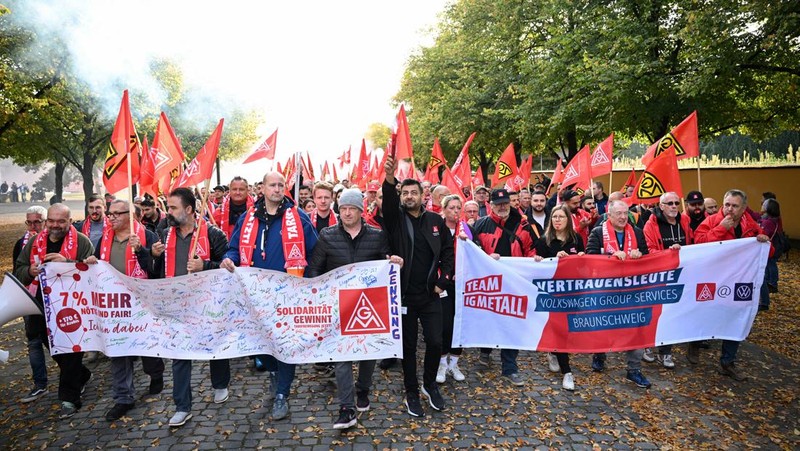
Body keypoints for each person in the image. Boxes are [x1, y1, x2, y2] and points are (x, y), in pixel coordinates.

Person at [220, 171, 318, 420]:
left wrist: (311, 284)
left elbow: (316, 251)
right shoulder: (247, 217)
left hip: (287, 296)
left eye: (280, 185)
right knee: (260, 345)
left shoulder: (298, 217)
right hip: (254, 296)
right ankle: (274, 372)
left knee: (285, 344)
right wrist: (228, 260)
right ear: (262, 188)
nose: (277, 189)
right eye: (272, 185)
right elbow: (233, 249)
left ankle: (282, 394)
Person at [306, 188, 402, 430]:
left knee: (368, 353)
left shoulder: (377, 235)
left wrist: (394, 263)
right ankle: (346, 407)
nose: (347, 213)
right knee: (342, 356)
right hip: (339, 306)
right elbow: (315, 268)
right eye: (343, 209)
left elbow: (384, 262)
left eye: (352, 208)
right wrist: (318, 294)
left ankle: (363, 389)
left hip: (369, 306)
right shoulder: (327, 235)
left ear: (361, 210)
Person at [151, 188, 230, 427]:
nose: (169, 212)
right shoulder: (164, 234)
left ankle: (220, 383)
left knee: (213, 345)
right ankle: (182, 406)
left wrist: (205, 265)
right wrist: (152, 256)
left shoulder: (214, 234)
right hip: (177, 304)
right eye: (168, 207)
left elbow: (228, 266)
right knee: (179, 355)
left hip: (208, 303)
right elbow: (155, 272)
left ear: (188, 209)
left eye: (173, 208)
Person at [382, 155, 454, 418]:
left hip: (431, 295)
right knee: (408, 347)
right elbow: (388, 202)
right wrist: (390, 180)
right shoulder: (395, 219)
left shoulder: (436, 221)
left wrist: (443, 281)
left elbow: (448, 252)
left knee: (436, 341)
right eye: (405, 193)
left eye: (414, 192)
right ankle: (411, 390)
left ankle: (429, 384)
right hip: (404, 296)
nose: (409, 196)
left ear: (424, 195)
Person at [83, 200, 164, 421]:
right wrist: (92, 262)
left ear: (131, 215)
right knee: (119, 352)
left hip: (141, 304)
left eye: (117, 214)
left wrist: (142, 251)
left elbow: (156, 269)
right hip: (115, 306)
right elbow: (100, 267)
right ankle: (123, 398)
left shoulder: (147, 236)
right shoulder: (103, 240)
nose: (111, 218)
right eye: (110, 214)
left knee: (147, 348)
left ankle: (155, 374)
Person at [14, 204, 95, 418]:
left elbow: (92, 270)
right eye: (51, 221)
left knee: (71, 349)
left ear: (69, 221)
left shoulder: (82, 242)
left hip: (73, 303)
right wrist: (29, 271)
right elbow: (19, 268)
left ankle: (70, 398)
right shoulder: (34, 242)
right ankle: (82, 374)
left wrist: (67, 263)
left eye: (61, 221)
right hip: (42, 302)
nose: (55, 225)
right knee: (44, 339)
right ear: (46, 221)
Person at [694, 190, 771, 378]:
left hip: (738, 281)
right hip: (713, 279)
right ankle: (694, 343)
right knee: (706, 314)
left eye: (734, 206)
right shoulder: (712, 221)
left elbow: (767, 251)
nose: (729, 209)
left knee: (735, 318)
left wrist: (762, 239)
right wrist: (720, 228)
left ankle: (728, 362)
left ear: (744, 208)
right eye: (726, 204)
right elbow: (698, 244)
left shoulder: (748, 223)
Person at [472, 189, 536, 386]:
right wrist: (484, 256)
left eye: (505, 203)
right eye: (498, 203)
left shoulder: (524, 225)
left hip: (514, 282)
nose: (502, 206)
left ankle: (510, 367)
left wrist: (533, 261)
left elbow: (531, 248)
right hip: (489, 283)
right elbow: (473, 251)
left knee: (512, 323)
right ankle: (485, 351)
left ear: (511, 204)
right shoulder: (481, 224)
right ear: (491, 205)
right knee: (488, 318)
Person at [586, 200, 652, 389]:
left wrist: (640, 255)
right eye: (619, 214)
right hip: (606, 288)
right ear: (609, 215)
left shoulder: (637, 232)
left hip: (632, 289)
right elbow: (590, 258)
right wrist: (610, 258)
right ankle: (599, 354)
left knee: (636, 327)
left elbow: (647, 258)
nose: (623, 217)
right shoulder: (598, 232)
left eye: (626, 213)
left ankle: (634, 369)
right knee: (604, 325)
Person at [533, 204, 584, 391]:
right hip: (552, 293)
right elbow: (537, 266)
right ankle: (567, 372)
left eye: (561, 217)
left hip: (571, 291)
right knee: (560, 328)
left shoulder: (576, 239)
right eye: (554, 217)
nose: (557, 220)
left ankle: (553, 350)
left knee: (566, 329)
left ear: (568, 220)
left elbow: (583, 265)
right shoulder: (543, 240)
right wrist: (547, 259)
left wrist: (580, 257)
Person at [641, 192, 694, 368]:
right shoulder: (651, 225)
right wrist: (669, 253)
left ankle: (666, 352)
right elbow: (648, 250)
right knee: (655, 312)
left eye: (676, 203)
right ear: (661, 206)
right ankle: (647, 346)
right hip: (658, 274)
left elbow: (693, 243)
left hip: (680, 274)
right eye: (669, 203)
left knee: (671, 313)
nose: (673, 206)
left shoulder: (685, 221)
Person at [13, 206, 49, 403]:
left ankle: (80, 375)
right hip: (30, 298)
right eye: (29, 222)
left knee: (52, 342)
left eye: (37, 221)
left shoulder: (53, 241)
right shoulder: (21, 244)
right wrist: (29, 272)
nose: (33, 226)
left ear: (45, 222)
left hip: (51, 301)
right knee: (34, 342)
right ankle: (40, 384)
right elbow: (17, 271)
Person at [437, 195, 468, 385]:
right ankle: (441, 363)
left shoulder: (466, 230)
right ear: (444, 209)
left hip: (462, 284)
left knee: (460, 325)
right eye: (451, 207)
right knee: (445, 324)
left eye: (458, 208)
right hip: (443, 284)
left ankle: (454, 363)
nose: (455, 211)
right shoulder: (436, 229)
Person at [759, 198, 782, 296]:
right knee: (770, 264)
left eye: (764, 205)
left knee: (770, 264)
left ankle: (772, 283)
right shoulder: (774, 219)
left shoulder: (768, 222)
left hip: (771, 247)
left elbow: (765, 234)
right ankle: (771, 282)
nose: (762, 206)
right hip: (774, 245)